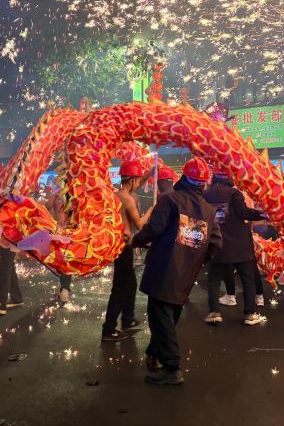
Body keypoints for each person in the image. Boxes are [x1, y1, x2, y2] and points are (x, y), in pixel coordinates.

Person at [132, 157, 223, 385]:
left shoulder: (170, 200)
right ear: (203, 183)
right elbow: (215, 243)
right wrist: (196, 259)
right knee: (168, 316)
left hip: (165, 269)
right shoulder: (209, 210)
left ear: (184, 177)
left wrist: (135, 241)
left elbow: (154, 229)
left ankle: (172, 367)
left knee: (160, 315)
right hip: (186, 273)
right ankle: (154, 354)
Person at [203, 167, 267, 325]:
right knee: (247, 279)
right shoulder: (234, 193)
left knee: (214, 279)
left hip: (217, 243)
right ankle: (250, 314)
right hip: (240, 245)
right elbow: (244, 212)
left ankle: (214, 312)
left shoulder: (206, 194)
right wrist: (262, 214)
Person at [101, 160, 152, 341]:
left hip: (121, 246)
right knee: (120, 289)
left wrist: (151, 170)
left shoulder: (117, 194)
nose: (139, 183)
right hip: (123, 247)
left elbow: (140, 181)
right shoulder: (128, 198)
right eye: (138, 180)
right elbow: (139, 224)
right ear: (132, 180)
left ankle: (127, 320)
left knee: (130, 285)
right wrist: (151, 210)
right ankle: (108, 329)